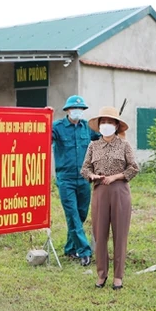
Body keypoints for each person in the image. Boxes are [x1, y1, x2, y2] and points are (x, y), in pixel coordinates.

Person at [81, 107, 139, 289]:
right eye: (103, 122)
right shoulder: (93, 145)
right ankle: (101, 273)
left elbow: (134, 168)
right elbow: (84, 169)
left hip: (120, 191)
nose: (106, 125)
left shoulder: (124, 145)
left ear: (116, 125)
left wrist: (115, 177)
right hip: (100, 191)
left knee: (120, 234)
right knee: (100, 234)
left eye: (110, 122)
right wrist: (92, 176)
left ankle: (118, 276)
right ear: (99, 126)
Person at [52, 95, 101, 266]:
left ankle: (70, 248)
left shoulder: (87, 128)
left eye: (80, 109)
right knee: (72, 215)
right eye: (74, 109)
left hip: (84, 178)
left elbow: (103, 137)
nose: (77, 112)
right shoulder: (57, 127)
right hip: (66, 179)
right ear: (67, 110)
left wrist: (112, 125)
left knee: (80, 215)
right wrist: (43, 118)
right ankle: (84, 251)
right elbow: (42, 136)